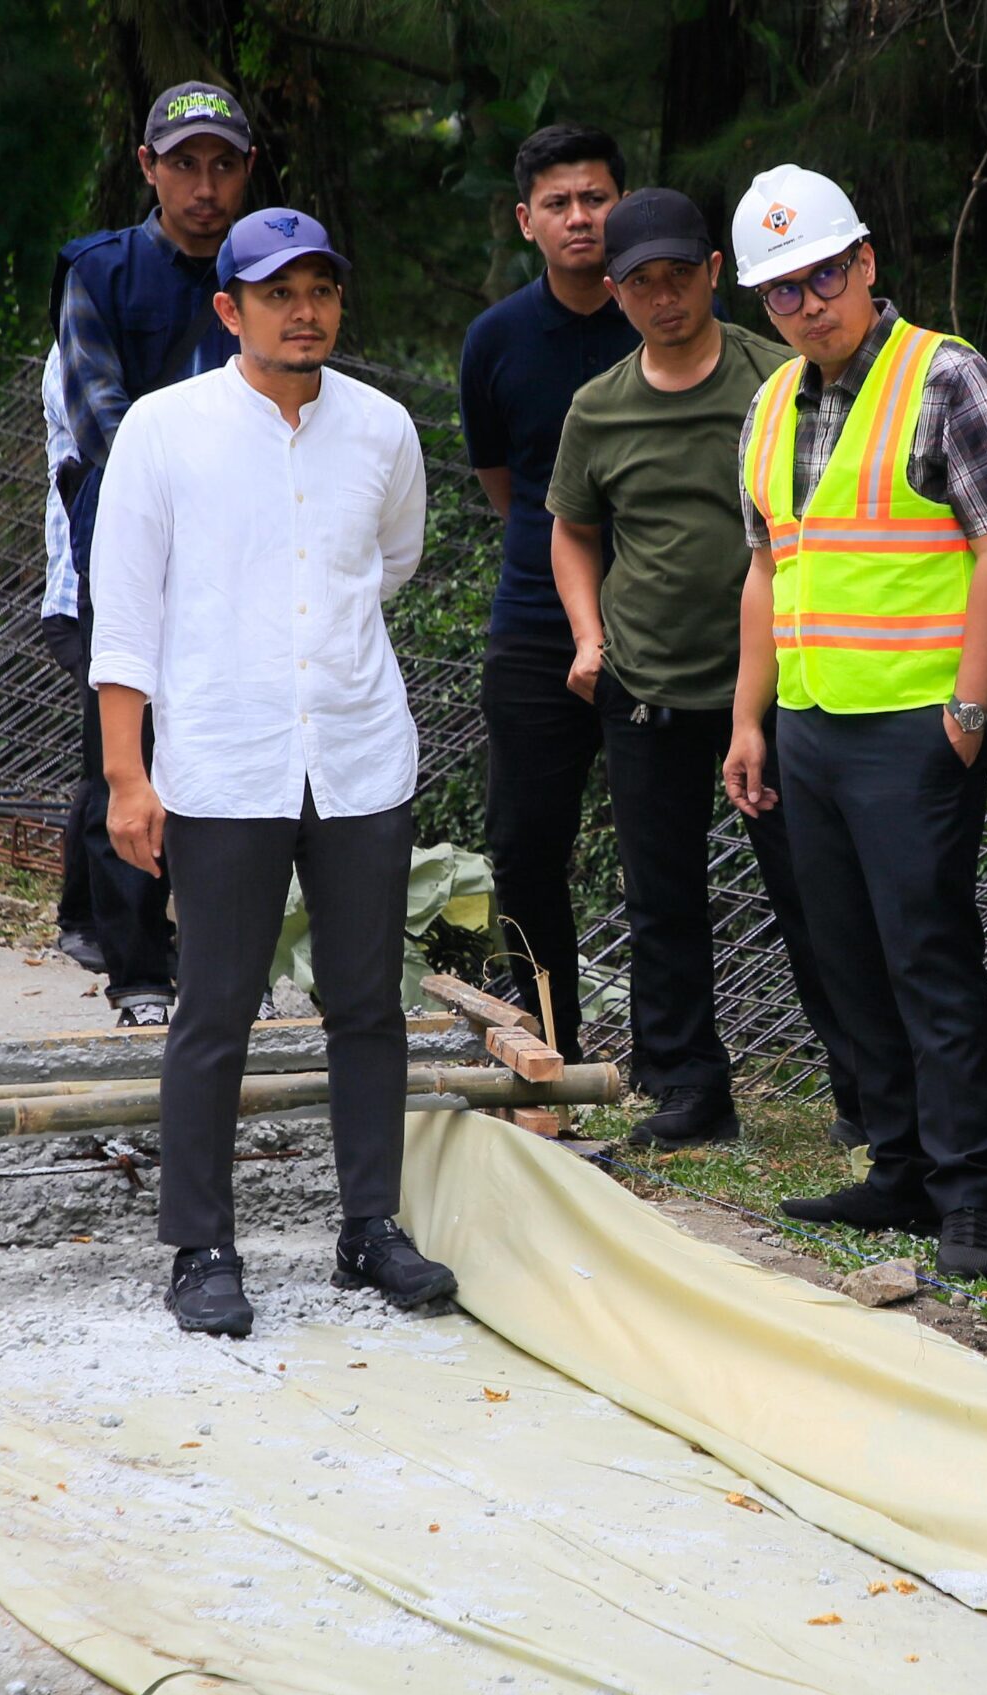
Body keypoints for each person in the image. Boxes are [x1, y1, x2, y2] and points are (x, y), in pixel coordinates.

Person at [88, 207, 452, 1336]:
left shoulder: (384, 429)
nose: (304, 312)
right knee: (215, 1008)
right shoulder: (164, 428)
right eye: (278, 292)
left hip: (355, 751)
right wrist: (125, 775)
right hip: (222, 757)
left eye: (321, 291)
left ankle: (370, 1229)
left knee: (367, 1005)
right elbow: (127, 610)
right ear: (228, 308)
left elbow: (387, 562)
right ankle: (201, 1245)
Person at [721, 165, 987, 1278]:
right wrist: (748, 720)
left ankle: (968, 1196)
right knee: (847, 958)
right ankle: (895, 1169)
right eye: (779, 293)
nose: (805, 305)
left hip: (916, 727)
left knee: (928, 959)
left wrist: (969, 703)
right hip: (810, 726)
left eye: (820, 278)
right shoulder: (770, 404)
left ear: (864, 264)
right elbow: (767, 568)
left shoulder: (945, 377)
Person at [543, 188, 861, 1151]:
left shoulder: (782, 377)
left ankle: (868, 1091)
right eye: (643, 284)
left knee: (815, 894)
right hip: (647, 688)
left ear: (716, 275)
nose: (666, 297)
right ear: (616, 294)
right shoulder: (599, 407)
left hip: (775, 690)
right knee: (662, 899)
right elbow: (571, 529)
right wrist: (588, 637)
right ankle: (689, 1089)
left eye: (682, 276)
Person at [48, 81, 255, 1026]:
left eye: (222, 165)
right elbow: (105, 424)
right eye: (184, 165)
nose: (203, 186)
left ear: (246, 171)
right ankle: (136, 968)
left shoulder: (276, 267)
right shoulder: (99, 271)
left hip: (251, 560)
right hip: (132, 555)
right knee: (122, 761)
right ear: (148, 167)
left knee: (232, 757)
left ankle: (220, 953)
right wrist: (210, 487)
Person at [456, 123, 641, 1055]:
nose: (581, 219)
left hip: (662, 628)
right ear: (527, 220)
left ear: (624, 205)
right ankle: (543, 1036)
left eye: (596, 198)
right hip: (532, 626)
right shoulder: (495, 341)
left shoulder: (661, 321)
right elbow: (508, 488)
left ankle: (678, 1060)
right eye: (560, 204)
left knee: (660, 853)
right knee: (526, 846)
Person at [36, 345, 103, 972]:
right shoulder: (79, 345)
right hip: (80, 593)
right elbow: (101, 433)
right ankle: (82, 919)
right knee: (112, 756)